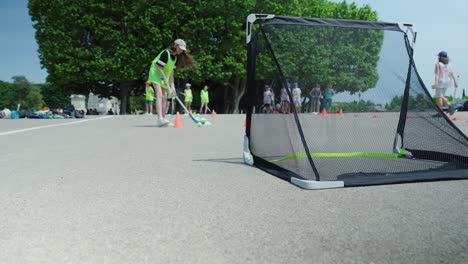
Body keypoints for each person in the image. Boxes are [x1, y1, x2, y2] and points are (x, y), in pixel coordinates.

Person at [148, 39, 194, 126]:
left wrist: (172, 86)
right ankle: (159, 119)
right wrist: (164, 78)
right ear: (175, 45)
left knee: (165, 96)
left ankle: (163, 119)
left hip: (163, 75)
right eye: (180, 48)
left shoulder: (175, 58)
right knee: (159, 94)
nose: (181, 50)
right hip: (155, 73)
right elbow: (158, 66)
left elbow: (171, 73)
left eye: (182, 49)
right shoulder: (166, 53)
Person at [431, 51, 458, 115]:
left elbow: (437, 74)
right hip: (447, 82)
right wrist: (455, 82)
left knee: (439, 97)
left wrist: (436, 83)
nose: (438, 57)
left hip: (440, 82)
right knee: (441, 96)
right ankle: (450, 106)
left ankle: (440, 112)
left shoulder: (438, 64)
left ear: (441, 57)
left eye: (439, 56)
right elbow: (453, 74)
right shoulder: (449, 65)